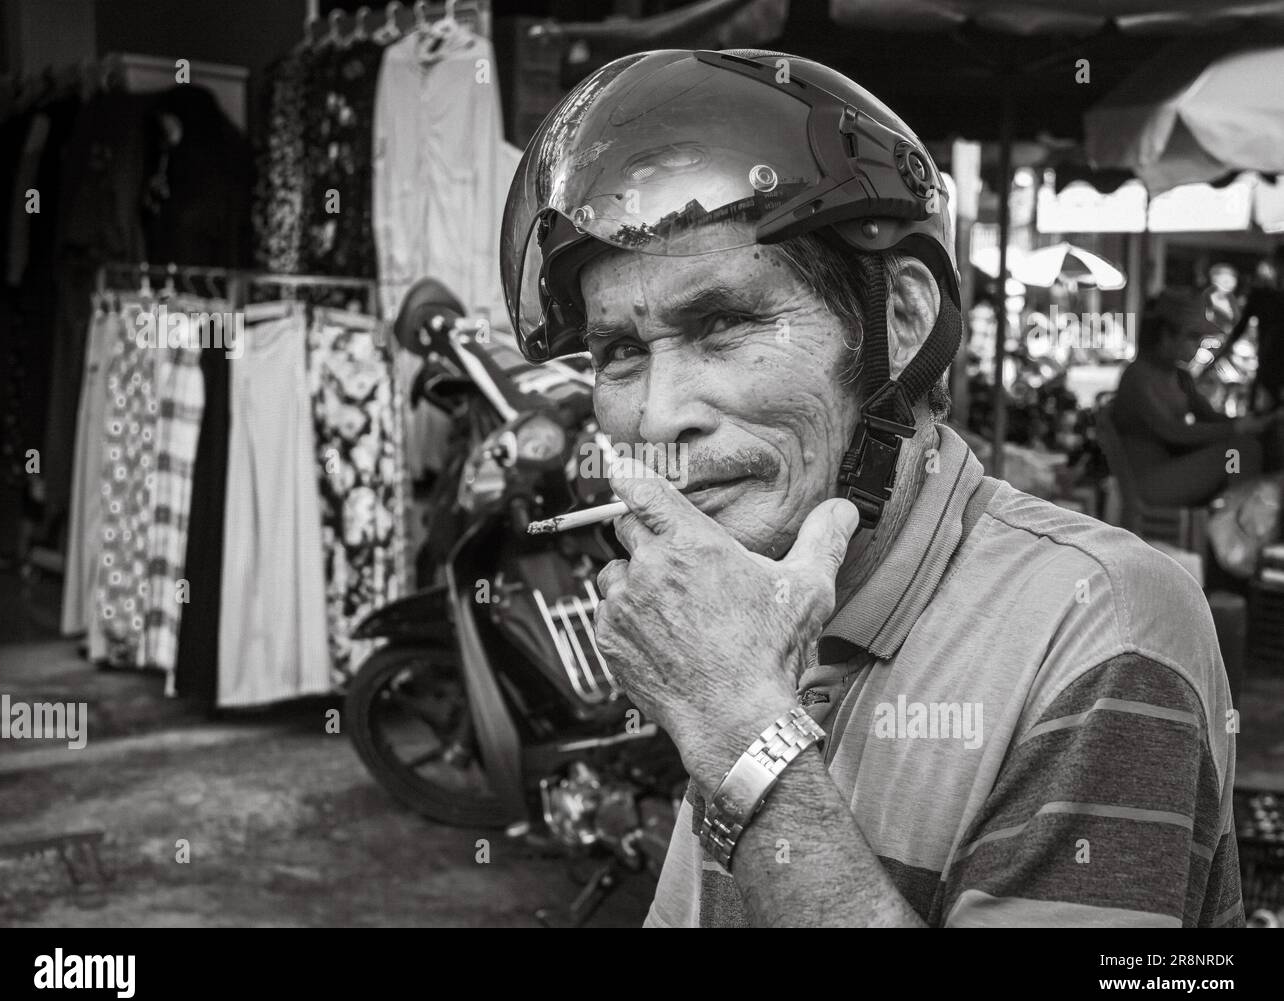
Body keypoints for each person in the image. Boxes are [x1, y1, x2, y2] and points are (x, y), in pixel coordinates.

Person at [501, 49, 1242, 927]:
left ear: (903, 319)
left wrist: (743, 733)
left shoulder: (1103, 628)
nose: (659, 417)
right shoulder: (761, 606)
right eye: (620, 353)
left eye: (724, 323)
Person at [1113, 288, 1280, 508]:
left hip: (1179, 466)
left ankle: (1237, 519)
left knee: (1248, 449)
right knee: (1239, 453)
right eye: (1192, 337)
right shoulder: (1137, 377)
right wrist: (1237, 428)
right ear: (1165, 335)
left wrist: (1258, 422)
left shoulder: (1179, 376)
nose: (1198, 345)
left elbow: (1210, 417)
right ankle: (1233, 525)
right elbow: (1173, 432)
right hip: (1151, 482)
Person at [1229, 250, 1284, 411]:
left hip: (1268, 364)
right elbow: (1239, 329)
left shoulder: (1262, 296)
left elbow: (1239, 329)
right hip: (1268, 366)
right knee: (1261, 414)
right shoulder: (1261, 296)